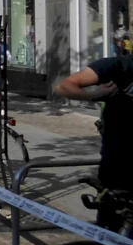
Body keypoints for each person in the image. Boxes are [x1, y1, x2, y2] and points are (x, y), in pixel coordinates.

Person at [55, 53, 133, 205]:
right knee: (113, 222)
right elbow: (64, 86)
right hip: (118, 167)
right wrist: (94, 95)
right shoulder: (120, 65)